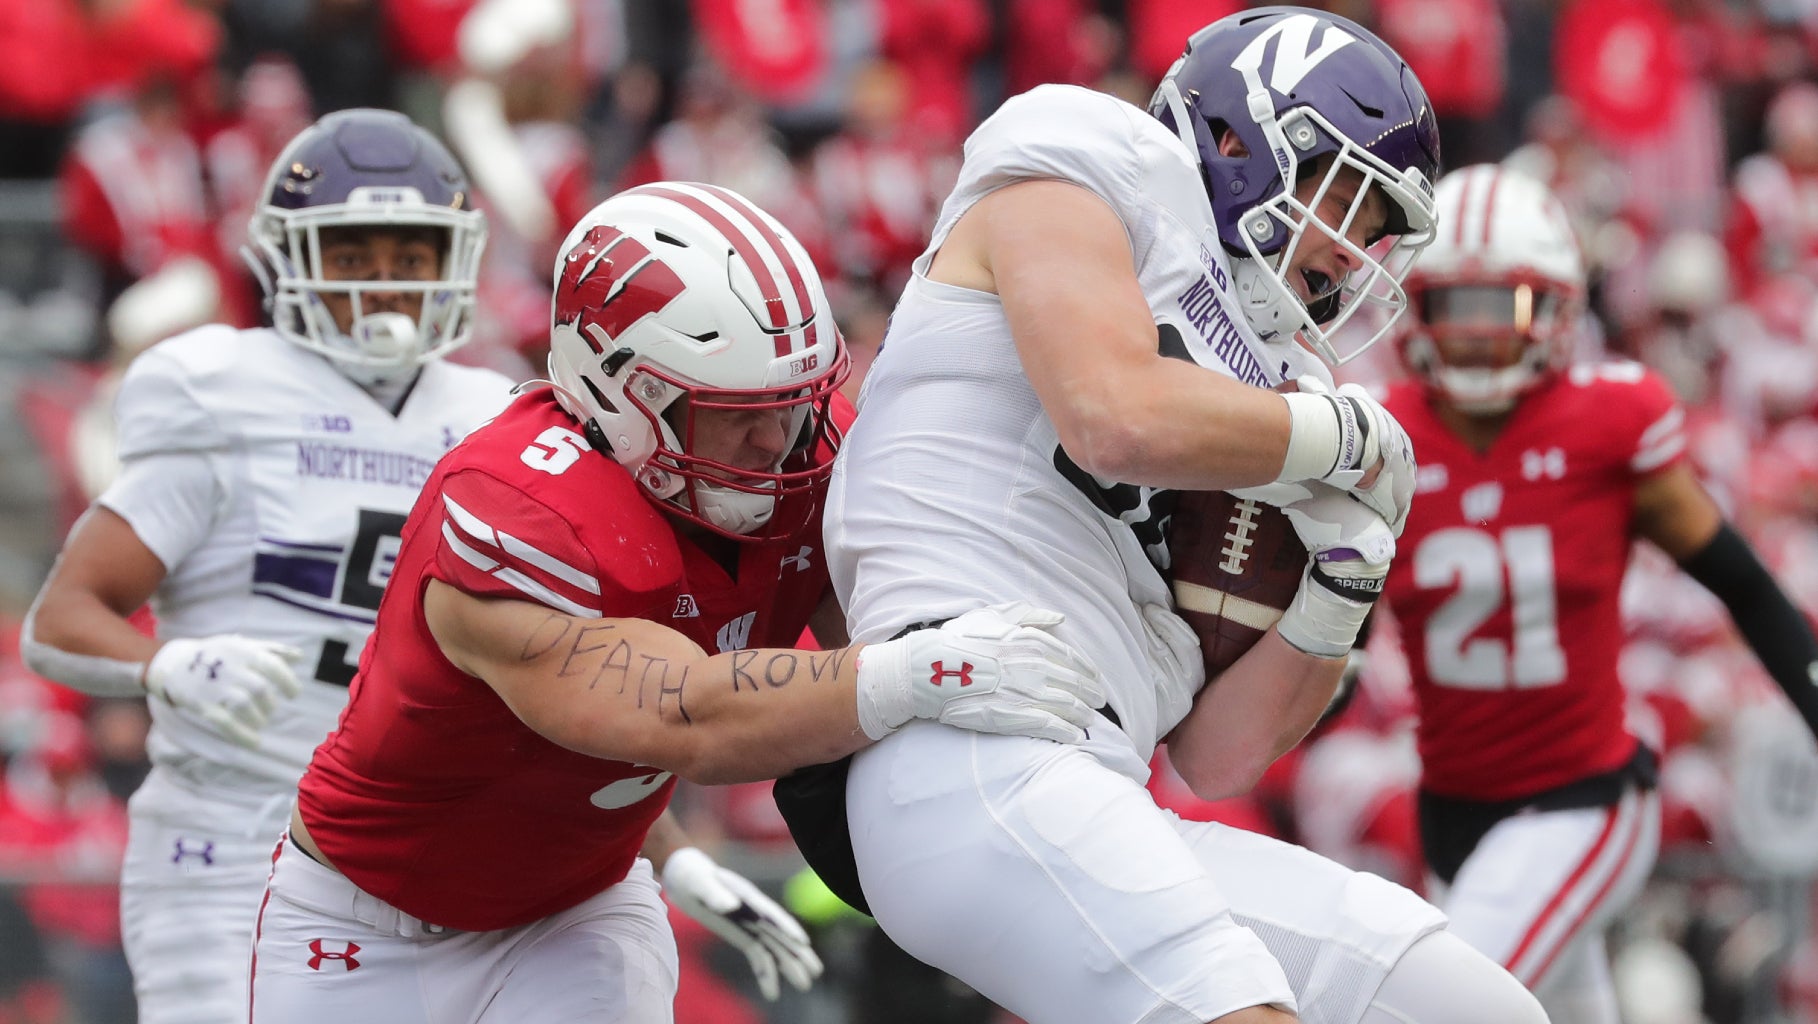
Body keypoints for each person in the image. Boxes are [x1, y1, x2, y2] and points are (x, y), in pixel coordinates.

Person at [775, 7, 1548, 1024]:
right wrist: (1334, 443)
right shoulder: (1092, 156)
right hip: (963, 744)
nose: (1360, 257)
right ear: (1244, 139)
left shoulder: (1277, 383)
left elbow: (1216, 758)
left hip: (1102, 788)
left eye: (1379, 235)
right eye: (1352, 203)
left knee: (1466, 1006)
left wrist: (1346, 574)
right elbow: (1109, 414)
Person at [244, 181, 1105, 1023]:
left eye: (790, 403)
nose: (778, 443)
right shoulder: (515, 509)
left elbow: (888, 624)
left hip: (574, 912)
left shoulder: (804, 445)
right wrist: (921, 671)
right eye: (736, 414)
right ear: (623, 398)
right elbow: (685, 717)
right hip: (364, 921)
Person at [19, 108, 517, 1023]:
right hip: (234, 841)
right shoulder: (224, 391)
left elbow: (557, 671)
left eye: (410, 259)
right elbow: (60, 619)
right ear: (290, 257)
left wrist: (666, 850)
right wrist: (165, 664)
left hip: (419, 851)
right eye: (354, 255)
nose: (384, 287)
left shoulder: (499, 413)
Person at [1378, 162, 1818, 1024]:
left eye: (1497, 308)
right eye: (1449, 307)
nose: (1471, 337)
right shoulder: (1380, 434)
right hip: (1451, 809)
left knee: (1435, 1000)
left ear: (1554, 308)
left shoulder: (1607, 423)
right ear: (1413, 309)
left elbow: (1742, 582)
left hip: (1584, 793)